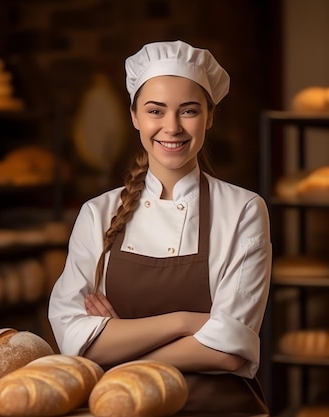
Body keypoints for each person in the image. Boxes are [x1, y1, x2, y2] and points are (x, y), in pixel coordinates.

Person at [48, 40, 272, 415]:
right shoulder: (98, 213)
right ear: (135, 116)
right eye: (156, 110)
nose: (172, 127)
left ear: (209, 117)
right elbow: (74, 340)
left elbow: (230, 351)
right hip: (122, 408)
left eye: (188, 111)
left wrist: (122, 345)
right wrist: (184, 323)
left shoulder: (244, 210)